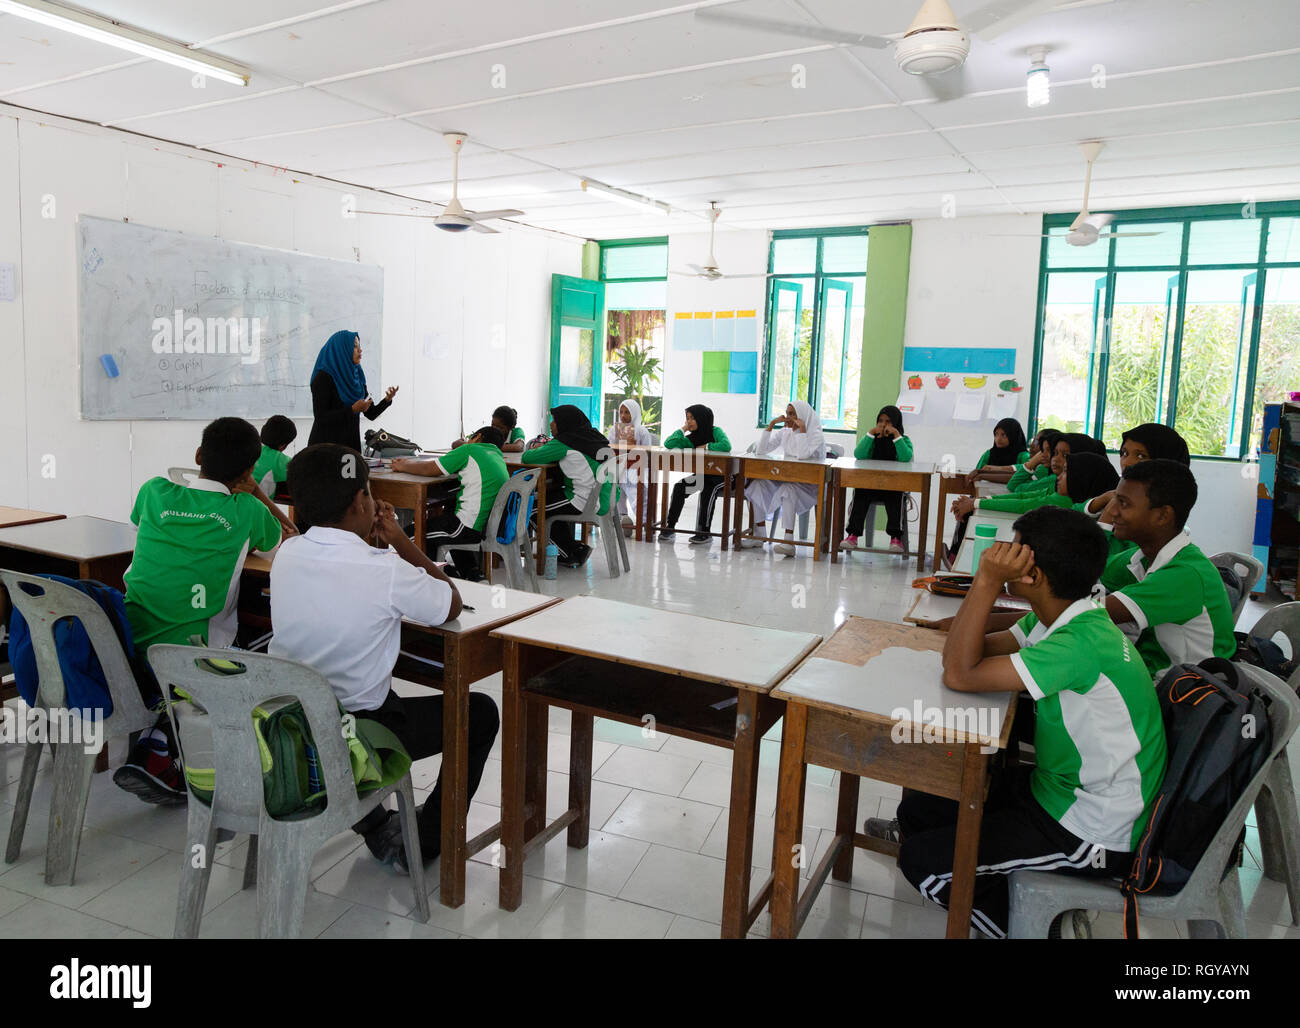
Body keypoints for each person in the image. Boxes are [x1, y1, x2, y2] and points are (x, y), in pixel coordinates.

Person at [871, 507, 1166, 938]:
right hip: (1058, 790)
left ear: (1033, 576)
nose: (1001, 554)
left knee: (923, 863)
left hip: (1090, 830)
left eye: (1012, 550)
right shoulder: (1067, 617)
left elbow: (959, 673)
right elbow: (971, 652)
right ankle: (1015, 886)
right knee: (921, 807)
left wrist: (987, 582)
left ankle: (1033, 928)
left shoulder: (1078, 644)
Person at [269, 444, 498, 873]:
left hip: (293, 728)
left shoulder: (288, 554)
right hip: (359, 737)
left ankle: (375, 824)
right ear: (361, 502)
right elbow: (450, 603)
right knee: (481, 712)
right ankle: (427, 842)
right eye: (370, 495)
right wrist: (401, 542)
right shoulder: (384, 569)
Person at [114, 417, 289, 805]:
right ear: (249, 473)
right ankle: (171, 738)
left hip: (129, 644)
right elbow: (285, 535)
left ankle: (162, 735)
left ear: (197, 456)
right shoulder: (246, 509)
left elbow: (137, 523)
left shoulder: (153, 491)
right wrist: (257, 492)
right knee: (272, 637)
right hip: (193, 658)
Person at [1100, 459, 1236, 681]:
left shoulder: (1185, 574)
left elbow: (1089, 613)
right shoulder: (1145, 556)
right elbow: (1091, 571)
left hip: (1182, 698)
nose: (1112, 511)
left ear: (1163, 515)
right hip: (1155, 676)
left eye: (1123, 503)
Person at [391, 426, 509, 581]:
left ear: (478, 437)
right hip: (486, 527)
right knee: (444, 519)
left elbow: (430, 468)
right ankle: (470, 574)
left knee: (412, 533)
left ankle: (431, 579)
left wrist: (403, 465)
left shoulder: (470, 450)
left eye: (470, 437)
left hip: (467, 528)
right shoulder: (497, 456)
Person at [523, 405, 615, 568]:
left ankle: (571, 552)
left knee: (531, 510)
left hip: (584, 500)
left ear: (565, 423)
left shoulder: (563, 443)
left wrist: (540, 448)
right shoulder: (592, 437)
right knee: (549, 505)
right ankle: (574, 547)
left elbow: (528, 457)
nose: (551, 425)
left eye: (554, 421)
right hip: (608, 496)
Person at [743, 400, 826, 557]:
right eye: (787, 414)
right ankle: (760, 535)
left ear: (802, 415)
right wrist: (771, 426)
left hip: (809, 484)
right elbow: (761, 451)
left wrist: (801, 430)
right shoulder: (785, 431)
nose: (788, 418)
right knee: (756, 485)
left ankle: (788, 541)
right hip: (787, 477)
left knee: (788, 490)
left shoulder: (815, 435)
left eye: (793, 414)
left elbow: (803, 456)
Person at [951, 450, 1118, 520]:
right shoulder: (1065, 495)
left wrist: (976, 502)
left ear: (1083, 478)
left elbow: (1021, 497)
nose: (1060, 476)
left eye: (1067, 471)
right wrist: (978, 501)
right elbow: (1023, 495)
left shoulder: (1066, 502)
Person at [307, 329, 399, 451]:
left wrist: (387, 400)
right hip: (325, 448)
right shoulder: (323, 378)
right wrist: (352, 410)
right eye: (355, 347)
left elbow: (371, 414)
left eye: (359, 346)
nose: (360, 350)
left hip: (350, 447)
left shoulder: (357, 377)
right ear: (342, 350)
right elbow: (321, 417)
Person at [841, 405, 914, 554]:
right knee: (860, 490)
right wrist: (870, 433)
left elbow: (906, 457)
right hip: (872, 486)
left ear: (896, 423)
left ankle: (895, 538)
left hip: (892, 486)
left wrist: (896, 435)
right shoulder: (873, 439)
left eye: (888, 421)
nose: (883, 425)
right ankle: (853, 535)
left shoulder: (904, 440)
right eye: (880, 421)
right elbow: (859, 454)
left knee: (896, 494)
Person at [660, 404, 732, 546]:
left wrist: (707, 446)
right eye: (687, 418)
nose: (689, 421)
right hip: (703, 475)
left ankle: (704, 532)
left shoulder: (715, 431)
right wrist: (683, 428)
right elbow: (669, 443)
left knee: (707, 491)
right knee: (680, 487)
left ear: (701, 418)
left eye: (692, 418)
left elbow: (726, 445)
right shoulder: (690, 439)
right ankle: (670, 526)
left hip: (722, 476)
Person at [611, 399, 653, 532]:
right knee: (613, 481)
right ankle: (622, 517)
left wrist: (634, 445)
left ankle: (644, 521)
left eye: (627, 412)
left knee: (632, 482)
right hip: (619, 465)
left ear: (634, 413)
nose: (623, 416)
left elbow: (648, 453)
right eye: (621, 412)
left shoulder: (641, 431)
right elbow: (608, 448)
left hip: (637, 467)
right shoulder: (614, 429)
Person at [966, 418, 1031, 486]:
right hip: (985, 494)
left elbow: (1027, 473)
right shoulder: (989, 454)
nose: (998, 439)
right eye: (996, 434)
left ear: (1014, 435)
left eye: (1003, 435)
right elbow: (976, 475)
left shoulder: (1023, 456)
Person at [253, 414, 297, 499]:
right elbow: (303, 473)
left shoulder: (249, 449)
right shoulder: (279, 460)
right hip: (259, 508)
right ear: (282, 446)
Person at [1005, 428, 1061, 493]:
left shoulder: (1050, 474)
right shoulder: (1047, 469)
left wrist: (1031, 463)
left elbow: (1016, 488)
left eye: (1037, 442)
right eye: (1043, 450)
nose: (1031, 445)